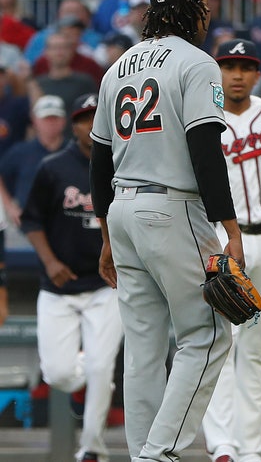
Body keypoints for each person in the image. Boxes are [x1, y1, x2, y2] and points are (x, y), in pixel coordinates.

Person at [89, 0, 245, 461]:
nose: (208, 10)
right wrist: (230, 228)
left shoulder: (119, 66)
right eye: (203, 1)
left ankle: (143, 454)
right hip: (171, 208)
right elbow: (205, 151)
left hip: (124, 210)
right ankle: (159, 454)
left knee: (143, 349)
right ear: (191, 6)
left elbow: (98, 158)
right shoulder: (197, 63)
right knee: (210, 332)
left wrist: (106, 235)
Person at [200, 39, 261, 462]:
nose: (237, 73)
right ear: (217, 71)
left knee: (256, 349)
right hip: (218, 241)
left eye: (245, 65)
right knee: (221, 344)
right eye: (229, 65)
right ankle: (222, 444)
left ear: (258, 73)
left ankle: (250, 447)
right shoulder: (203, 119)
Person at [21, 94, 123, 462]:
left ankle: (92, 449)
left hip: (106, 285)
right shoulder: (53, 167)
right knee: (60, 374)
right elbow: (30, 219)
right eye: (84, 118)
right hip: (59, 284)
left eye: (98, 117)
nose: (91, 125)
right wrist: (48, 261)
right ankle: (88, 377)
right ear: (73, 124)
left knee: (100, 366)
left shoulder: (123, 164)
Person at [0, 95, 67, 227]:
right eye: (46, 119)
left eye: (55, 118)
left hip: (65, 225)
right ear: (34, 120)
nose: (51, 123)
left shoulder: (74, 151)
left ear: (64, 120)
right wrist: (10, 207)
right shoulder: (20, 152)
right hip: (26, 225)